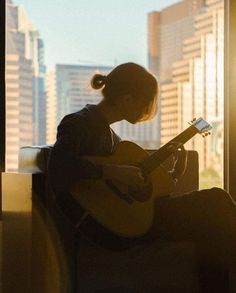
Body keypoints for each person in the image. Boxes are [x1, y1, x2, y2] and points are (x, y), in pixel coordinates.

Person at [48, 62, 236, 292]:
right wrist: (113, 171)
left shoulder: (111, 136)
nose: (148, 109)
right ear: (127, 99)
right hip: (110, 227)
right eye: (146, 102)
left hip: (130, 218)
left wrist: (174, 174)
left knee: (215, 209)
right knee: (215, 203)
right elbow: (59, 166)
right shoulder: (79, 122)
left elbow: (130, 192)